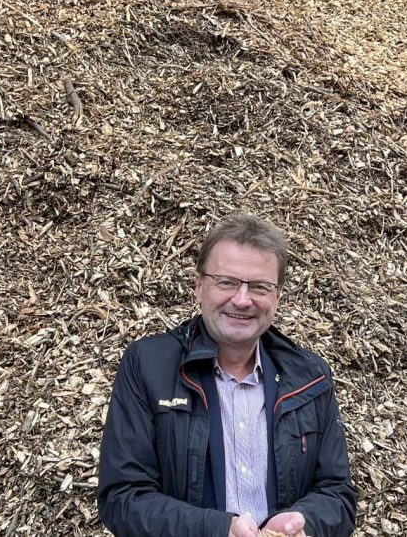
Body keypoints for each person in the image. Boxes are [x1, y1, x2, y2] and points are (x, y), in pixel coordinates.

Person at [98, 213, 357, 537]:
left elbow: (339, 495)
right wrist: (218, 530)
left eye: (260, 287)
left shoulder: (310, 377)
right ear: (199, 285)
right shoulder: (148, 366)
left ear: (277, 295)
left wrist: (306, 523)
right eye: (227, 282)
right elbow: (121, 499)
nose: (242, 299)